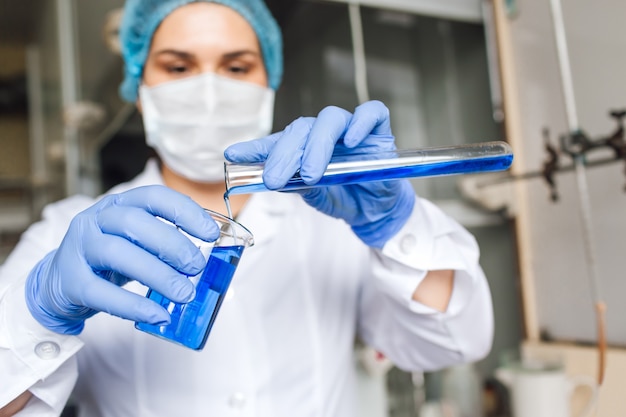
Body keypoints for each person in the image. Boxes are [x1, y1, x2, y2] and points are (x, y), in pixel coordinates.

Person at [0, 0, 494, 415]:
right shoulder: (68, 234)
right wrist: (41, 311)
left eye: (236, 67)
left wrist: (393, 225)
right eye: (178, 66)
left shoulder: (329, 220)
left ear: (268, 83)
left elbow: (452, 343)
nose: (209, 89)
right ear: (140, 89)